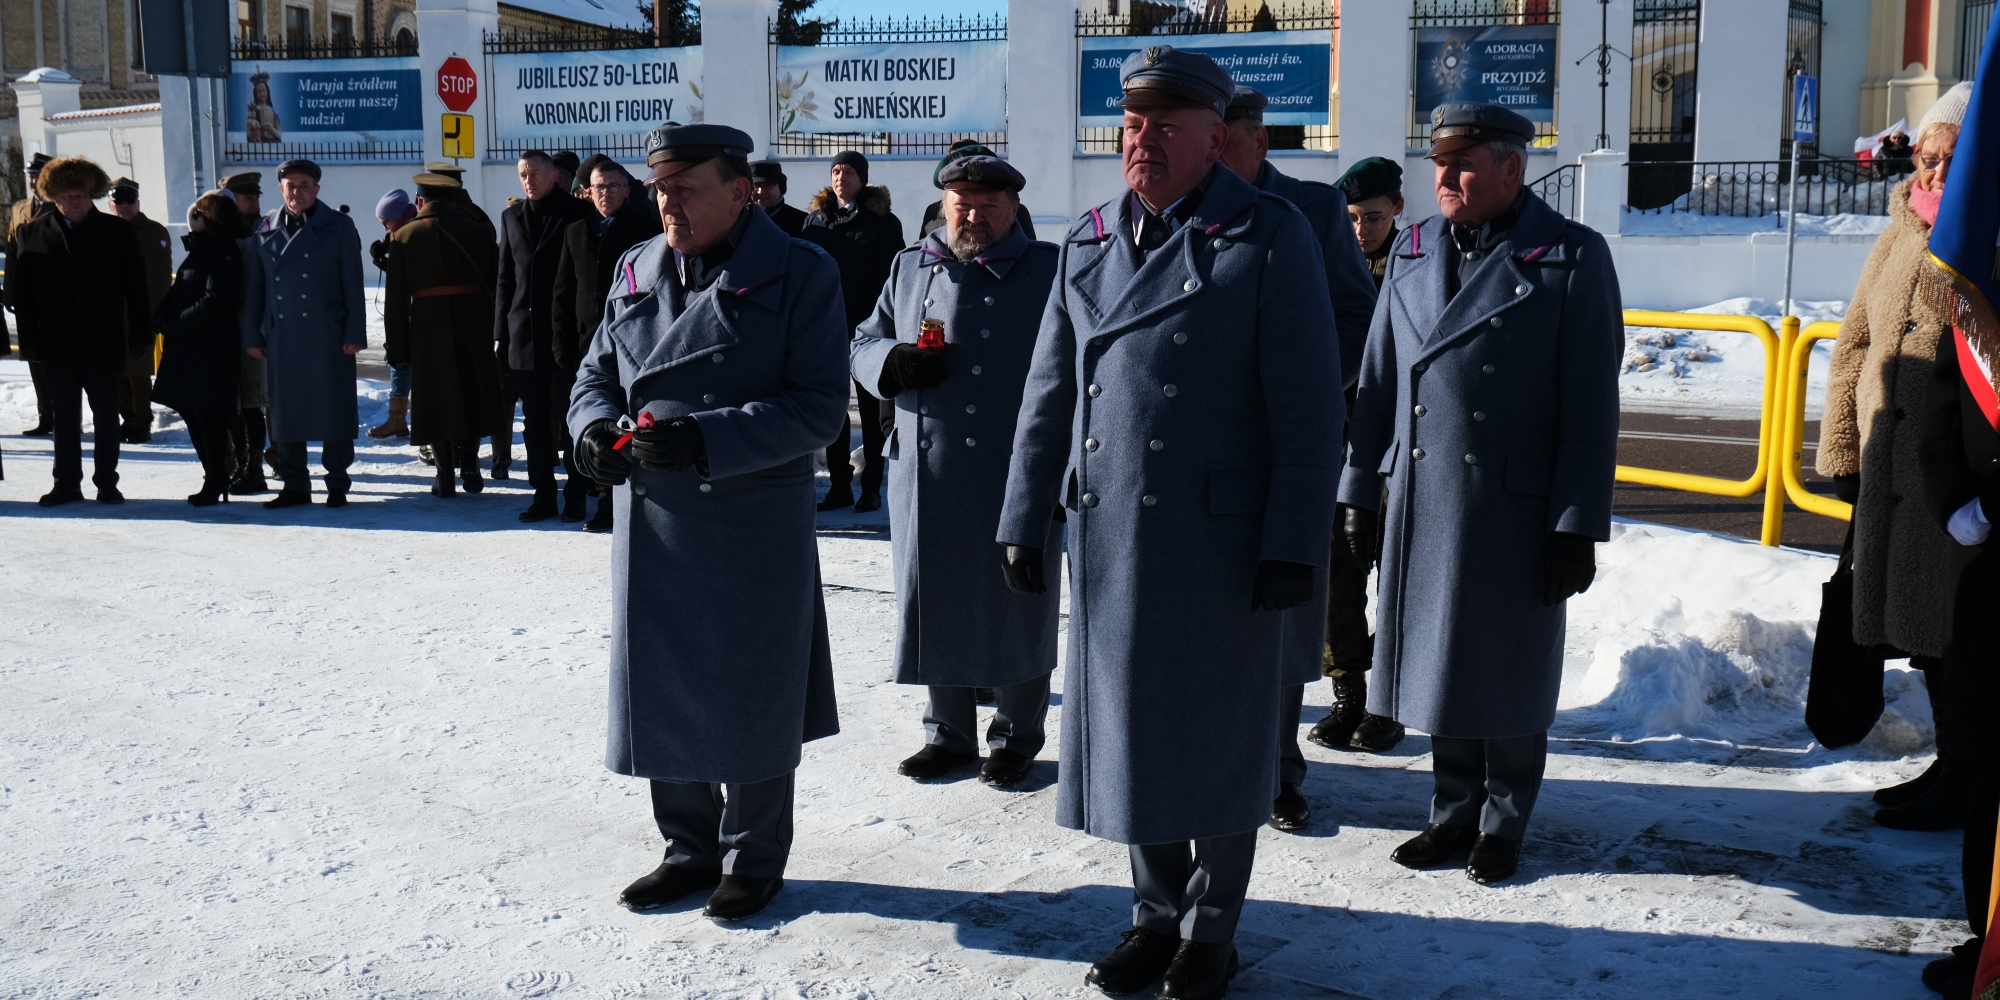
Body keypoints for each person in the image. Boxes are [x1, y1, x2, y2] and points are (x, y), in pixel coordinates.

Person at [998, 47, 1342, 999]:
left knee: (1218, 740)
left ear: (1214, 138)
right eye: (1133, 125)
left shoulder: (1269, 234)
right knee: (1132, 735)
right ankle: (1153, 916)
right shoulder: (1091, 237)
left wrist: (1290, 545)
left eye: (1166, 126)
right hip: (1111, 539)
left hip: (1221, 545)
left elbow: (1310, 410)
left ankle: (1211, 931)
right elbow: (1050, 390)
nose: (1143, 142)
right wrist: (1025, 515)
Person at [568, 122, 848, 922]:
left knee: (750, 691)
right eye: (661, 189)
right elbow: (594, 376)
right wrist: (591, 431)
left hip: (747, 521)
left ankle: (754, 856)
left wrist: (707, 437)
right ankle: (686, 847)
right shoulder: (635, 267)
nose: (667, 204)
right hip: (654, 523)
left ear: (740, 191)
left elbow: (821, 408)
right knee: (668, 685)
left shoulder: (800, 271)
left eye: (685, 189)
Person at [1341, 102, 1621, 887]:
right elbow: (1379, 381)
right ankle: (1451, 810)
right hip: (1423, 496)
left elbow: (1592, 404)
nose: (1446, 180)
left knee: (1507, 666)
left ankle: (1503, 820)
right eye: (1438, 164)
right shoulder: (1414, 250)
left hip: (1514, 508)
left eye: (1463, 165)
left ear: (1511, 168)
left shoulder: (1569, 257)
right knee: (1436, 660)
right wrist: (1361, 488)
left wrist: (1576, 524)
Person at [851, 152, 1060, 787]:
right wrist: (890, 362)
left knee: (1018, 602)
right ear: (943, 205)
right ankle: (947, 734)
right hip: (929, 470)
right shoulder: (911, 265)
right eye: (960, 203)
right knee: (934, 596)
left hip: (1015, 465)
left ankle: (1015, 736)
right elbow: (861, 339)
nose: (972, 215)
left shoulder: (1049, 267)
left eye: (987, 205)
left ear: (1013, 208)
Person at [1218, 84, 1394, 829]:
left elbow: (1358, 316)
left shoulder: (1313, 210)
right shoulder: (1169, 211)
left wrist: (1302, 385)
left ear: (1260, 142)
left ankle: (1282, 775)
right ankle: (1218, 767)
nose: (1211, 158)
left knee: (1285, 623)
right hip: (1199, 463)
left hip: (1289, 451)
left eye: (1227, 141)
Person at [1819, 82, 1970, 831]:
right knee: (1911, 620)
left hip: (1954, 472)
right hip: (1889, 461)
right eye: (1926, 157)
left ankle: (1970, 772)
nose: (1932, 175)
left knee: (1950, 623)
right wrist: (1842, 445)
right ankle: (1956, 762)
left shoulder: (1984, 232)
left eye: (1950, 159)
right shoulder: (1902, 224)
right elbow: (1854, 340)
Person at [1916, 317, 2000, 1000]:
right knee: (1987, 764)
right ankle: (1992, 944)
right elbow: (1942, 411)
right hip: (1988, 555)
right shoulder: (1980, 294)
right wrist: (1959, 505)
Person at [13, 156, 152, 506]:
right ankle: (66, 483)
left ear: (91, 194)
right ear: (53, 195)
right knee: (64, 416)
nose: (74, 200)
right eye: (66, 193)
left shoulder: (117, 232)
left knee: (106, 415)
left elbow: (136, 286)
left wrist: (140, 331)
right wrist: (30, 340)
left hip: (102, 339)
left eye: (81, 193)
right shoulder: (31, 233)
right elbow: (23, 295)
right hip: (57, 343)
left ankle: (107, 481)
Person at [240, 158, 367, 509]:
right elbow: (256, 288)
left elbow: (353, 284)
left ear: (317, 190)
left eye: (304, 185)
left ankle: (337, 483)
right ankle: (295, 484)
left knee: (334, 409)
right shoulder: (264, 228)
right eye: (290, 185)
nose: (297, 191)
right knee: (286, 413)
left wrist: (354, 331)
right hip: (283, 333)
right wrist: (252, 333)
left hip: (329, 332)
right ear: (281, 189)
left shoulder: (339, 226)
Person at [553, 156, 661, 531]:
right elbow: (563, 292)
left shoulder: (644, 229)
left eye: (613, 186)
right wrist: (561, 343)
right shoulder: (575, 230)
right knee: (584, 421)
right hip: (584, 342)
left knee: (621, 422)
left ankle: (609, 503)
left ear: (627, 190)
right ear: (588, 191)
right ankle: (578, 493)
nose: (605, 193)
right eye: (599, 187)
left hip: (630, 343)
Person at [382, 172, 503, 498]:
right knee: (470, 392)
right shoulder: (480, 232)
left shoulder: (403, 236)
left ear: (420, 200)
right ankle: (471, 466)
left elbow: (395, 302)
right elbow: (497, 282)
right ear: (453, 199)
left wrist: (397, 345)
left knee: (435, 399)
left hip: (427, 327)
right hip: (473, 322)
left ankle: (444, 476)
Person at [496, 148, 596, 521]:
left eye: (535, 173)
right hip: (524, 337)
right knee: (534, 423)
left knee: (571, 419)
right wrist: (500, 333)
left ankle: (575, 493)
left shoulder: (578, 213)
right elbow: (505, 279)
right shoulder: (510, 217)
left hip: (565, 334)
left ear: (554, 175)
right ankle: (542, 494)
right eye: (523, 174)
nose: (528, 180)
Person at [802, 149, 903, 513]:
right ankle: (839, 485)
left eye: (847, 172)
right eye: (835, 171)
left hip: (867, 328)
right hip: (824, 327)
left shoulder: (883, 222)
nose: (840, 177)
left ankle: (872, 487)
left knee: (873, 410)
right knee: (831, 409)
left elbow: (892, 280)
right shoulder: (815, 222)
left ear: (862, 178)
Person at [153, 192, 249, 506]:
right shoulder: (202, 248)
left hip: (210, 347)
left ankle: (217, 476)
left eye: (197, 212)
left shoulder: (223, 252)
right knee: (191, 409)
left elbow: (215, 300)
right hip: (189, 346)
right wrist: (163, 313)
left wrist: (176, 323)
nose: (191, 216)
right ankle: (213, 473)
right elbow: (182, 285)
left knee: (207, 414)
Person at [109, 176, 172, 445]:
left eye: (129, 200)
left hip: (139, 314)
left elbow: (157, 281)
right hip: (110, 314)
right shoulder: (104, 230)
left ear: (138, 202)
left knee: (138, 372)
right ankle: (128, 419)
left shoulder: (152, 231)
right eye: (118, 201)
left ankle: (143, 421)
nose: (124, 206)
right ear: (111, 204)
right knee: (117, 371)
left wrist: (149, 317)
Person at [221, 171, 273, 494]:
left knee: (254, 401)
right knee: (234, 403)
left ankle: (255, 468)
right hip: (228, 328)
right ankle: (242, 463)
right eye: (247, 199)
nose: (254, 204)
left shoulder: (266, 230)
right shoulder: (221, 233)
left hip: (256, 327)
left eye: (255, 198)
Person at [7, 152, 54, 436]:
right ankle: (46, 416)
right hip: (28, 297)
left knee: (61, 361)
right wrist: (10, 293)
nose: (34, 181)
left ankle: (69, 414)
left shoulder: (60, 206)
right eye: (31, 176)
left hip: (55, 296)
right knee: (35, 359)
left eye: (39, 175)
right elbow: (12, 255)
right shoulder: (19, 209)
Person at [367, 188, 419, 440]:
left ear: (395, 217)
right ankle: (397, 419)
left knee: (413, 363)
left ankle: (418, 420)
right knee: (398, 360)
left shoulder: (413, 233)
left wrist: (387, 263)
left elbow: (412, 276)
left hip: (416, 312)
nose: (384, 227)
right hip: (402, 311)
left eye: (385, 222)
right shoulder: (398, 234)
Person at [916, 141, 1036, 242]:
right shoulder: (933, 211)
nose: (974, 217)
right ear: (946, 209)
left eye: (989, 205)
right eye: (963, 204)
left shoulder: (1019, 212)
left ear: (1013, 209)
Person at [1336, 156, 1405, 290]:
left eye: (1373, 218)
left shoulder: (1413, 262)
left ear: (1398, 206)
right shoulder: (1334, 259)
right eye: (1351, 218)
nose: (1360, 232)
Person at [749, 160, 809, 237]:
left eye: (767, 185)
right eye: (756, 186)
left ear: (780, 187)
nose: (761, 192)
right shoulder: (739, 220)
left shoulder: (801, 221)